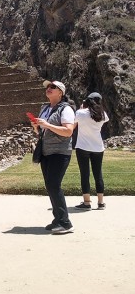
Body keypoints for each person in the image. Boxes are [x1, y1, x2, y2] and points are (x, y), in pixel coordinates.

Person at [32, 80, 76, 234]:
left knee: (54, 185)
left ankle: (65, 222)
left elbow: (68, 131)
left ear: (60, 92)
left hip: (60, 152)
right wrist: (37, 128)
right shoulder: (44, 108)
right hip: (46, 152)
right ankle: (57, 219)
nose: (48, 89)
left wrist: (48, 125)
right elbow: (42, 132)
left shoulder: (66, 109)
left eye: (52, 87)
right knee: (50, 186)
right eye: (47, 87)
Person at [74, 92, 109, 210]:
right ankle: (101, 202)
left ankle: (87, 202)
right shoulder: (103, 114)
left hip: (82, 146)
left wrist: (81, 109)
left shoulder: (80, 113)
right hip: (98, 147)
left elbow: (75, 122)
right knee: (98, 174)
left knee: (85, 174)